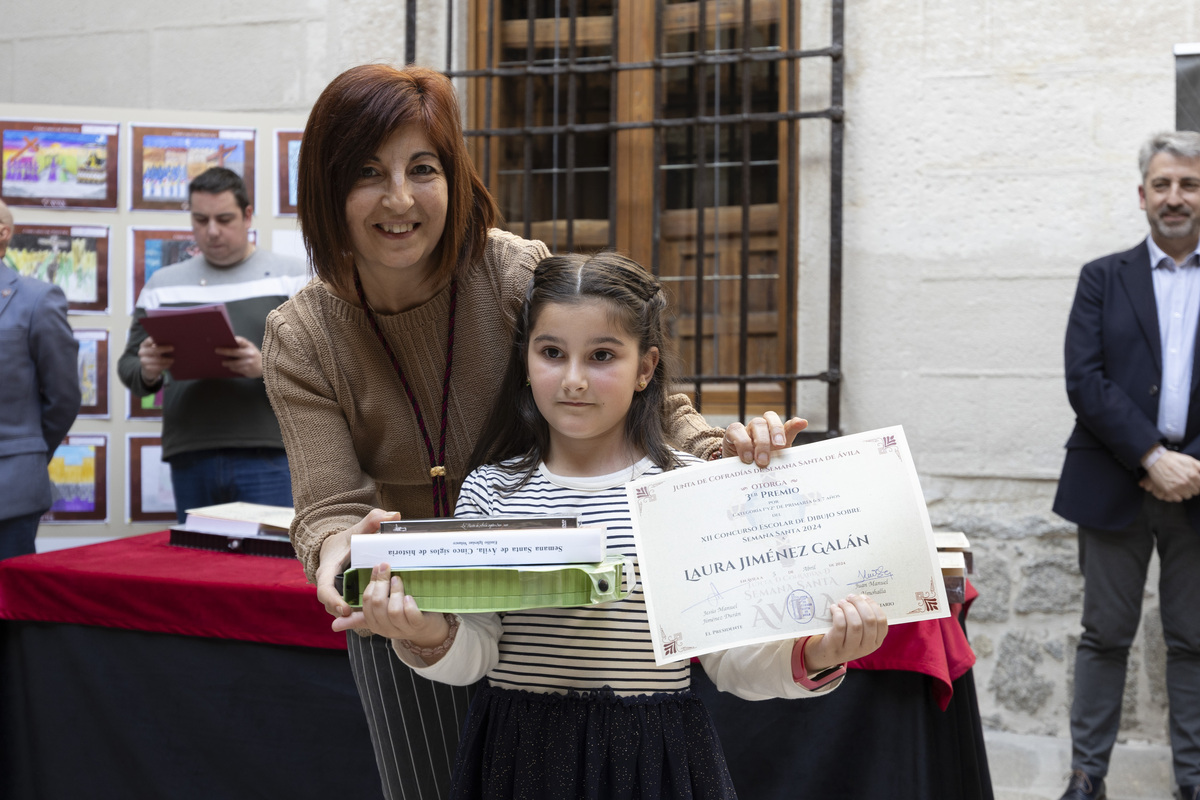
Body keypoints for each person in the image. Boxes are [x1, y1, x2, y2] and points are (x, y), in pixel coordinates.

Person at [261, 63, 805, 800]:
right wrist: (337, 561)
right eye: (366, 172)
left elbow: (650, 402)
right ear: (327, 188)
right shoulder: (302, 334)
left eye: (422, 168)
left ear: (453, 175)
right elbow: (328, 505)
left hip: (542, 606)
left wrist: (717, 458)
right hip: (411, 608)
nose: (398, 198)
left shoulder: (513, 273)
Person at [356, 252, 888, 798]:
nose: (574, 379)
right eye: (552, 353)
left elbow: (729, 661)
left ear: (645, 368)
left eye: (602, 355)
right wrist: (423, 634)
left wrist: (817, 653)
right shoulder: (491, 490)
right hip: (521, 757)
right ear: (527, 360)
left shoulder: (686, 489)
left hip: (656, 759)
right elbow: (479, 649)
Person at [1054, 130, 1200, 800]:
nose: (1176, 198)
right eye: (1163, 185)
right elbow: (1086, 381)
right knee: (1103, 636)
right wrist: (1150, 456)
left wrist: (1189, 466)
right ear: (1143, 195)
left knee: (1194, 641)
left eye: (1189, 184)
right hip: (1114, 479)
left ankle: (1193, 780)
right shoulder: (1101, 278)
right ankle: (1088, 778)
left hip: (1198, 489)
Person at [118, 167, 308, 521]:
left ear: (248, 215)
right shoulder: (163, 283)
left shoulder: (293, 276)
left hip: (272, 452)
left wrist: (265, 366)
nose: (212, 231)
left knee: (270, 570)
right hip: (191, 452)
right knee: (199, 568)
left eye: (224, 219)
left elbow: (324, 367)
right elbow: (128, 367)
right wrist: (146, 369)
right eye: (200, 219)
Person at [0, 198, 81, 559]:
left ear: (3, 233)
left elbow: (63, 397)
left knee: (7, 607)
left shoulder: (37, 299)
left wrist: (28, 453)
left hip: (9, 492)